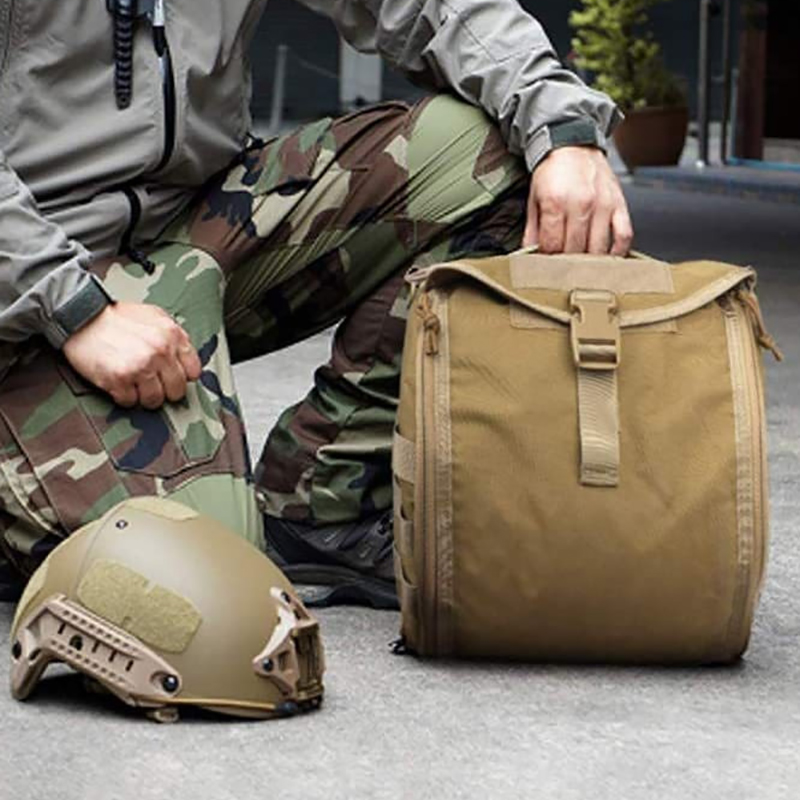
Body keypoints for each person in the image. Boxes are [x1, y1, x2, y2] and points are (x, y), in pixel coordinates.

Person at [0, 0, 632, 607]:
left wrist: (561, 130)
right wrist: (70, 306)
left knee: (491, 158)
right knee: (204, 589)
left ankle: (322, 499)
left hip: (198, 222)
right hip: (32, 271)